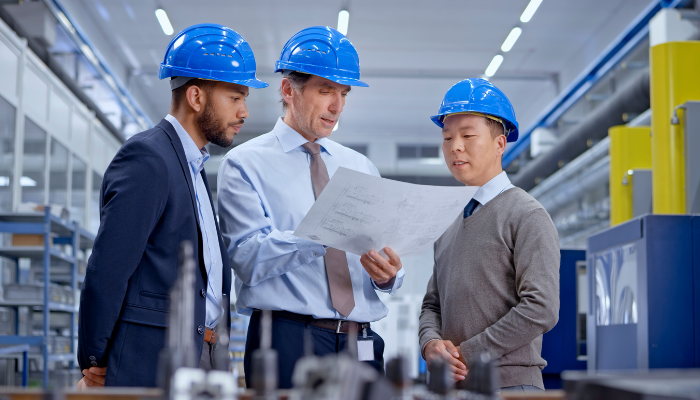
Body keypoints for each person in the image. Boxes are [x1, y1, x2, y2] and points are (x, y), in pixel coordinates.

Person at [76, 24, 268, 388]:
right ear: (196, 97)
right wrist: (94, 359)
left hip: (204, 353)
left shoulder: (193, 166)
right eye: (235, 97)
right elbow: (108, 268)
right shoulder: (148, 157)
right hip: (151, 357)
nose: (244, 112)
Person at [217, 26, 404, 389]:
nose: (338, 106)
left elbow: (382, 255)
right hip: (288, 340)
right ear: (288, 90)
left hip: (361, 341)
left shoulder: (360, 167)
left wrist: (388, 275)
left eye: (344, 93)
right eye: (326, 91)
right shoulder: (245, 164)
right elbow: (247, 259)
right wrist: (322, 231)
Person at [418, 79, 560, 392]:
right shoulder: (448, 222)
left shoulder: (526, 215)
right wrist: (430, 344)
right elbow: (433, 305)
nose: (455, 146)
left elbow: (541, 308)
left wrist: (465, 355)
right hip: (451, 389)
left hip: (509, 387)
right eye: (447, 137)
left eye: (468, 135)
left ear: (500, 144)